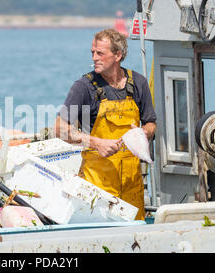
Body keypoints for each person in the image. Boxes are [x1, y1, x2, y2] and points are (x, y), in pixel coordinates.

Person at [54, 28, 157, 220]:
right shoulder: (83, 87)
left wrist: (141, 134)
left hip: (132, 186)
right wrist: (96, 143)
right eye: (92, 52)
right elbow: (59, 128)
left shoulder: (139, 83)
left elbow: (151, 123)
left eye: (100, 53)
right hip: (96, 187)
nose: (94, 58)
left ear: (117, 55)